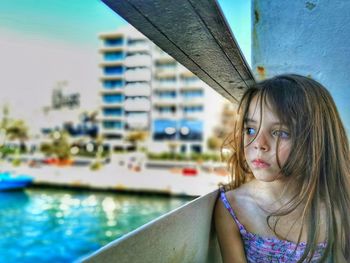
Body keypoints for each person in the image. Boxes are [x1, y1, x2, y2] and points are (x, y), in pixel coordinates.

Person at [214, 74, 349, 262]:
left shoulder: (338, 205)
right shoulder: (233, 206)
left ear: (316, 140)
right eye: (250, 130)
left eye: (280, 132)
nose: (258, 144)